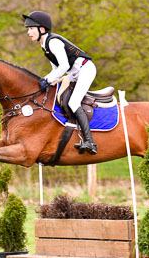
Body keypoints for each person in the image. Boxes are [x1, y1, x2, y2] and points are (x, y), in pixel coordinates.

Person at [23, 11, 98, 155]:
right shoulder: (44, 45)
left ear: (42, 29)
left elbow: (63, 66)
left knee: (74, 102)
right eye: (28, 29)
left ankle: (90, 141)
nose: (28, 32)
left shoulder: (53, 42)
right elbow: (56, 68)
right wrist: (47, 79)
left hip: (85, 69)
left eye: (31, 28)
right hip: (74, 73)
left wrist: (48, 80)